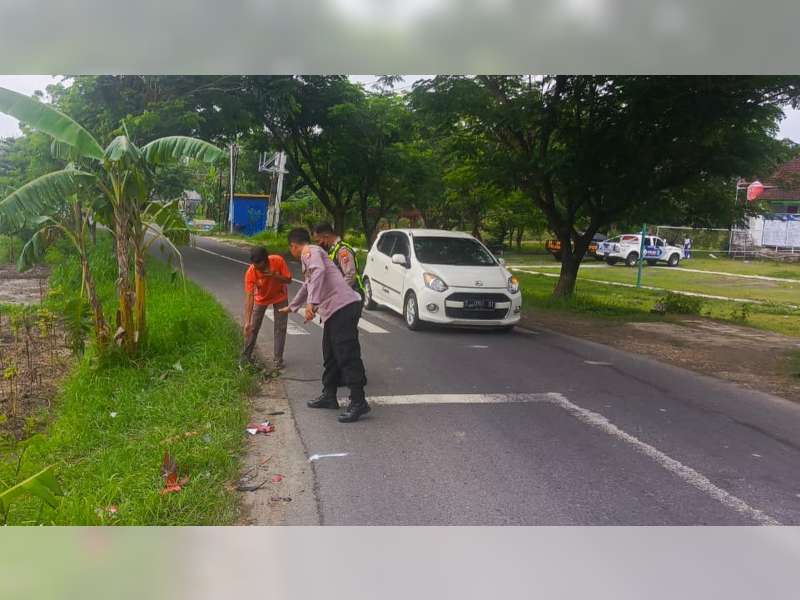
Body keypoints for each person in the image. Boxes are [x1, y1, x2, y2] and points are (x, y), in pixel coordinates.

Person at [279, 228, 370, 423]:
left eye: (291, 249)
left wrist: (312, 303)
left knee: (347, 354)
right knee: (330, 354)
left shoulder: (308, 251)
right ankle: (329, 395)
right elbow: (308, 284)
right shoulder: (311, 256)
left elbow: (319, 273)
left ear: (293, 246)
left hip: (343, 307)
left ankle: (359, 401)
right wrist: (293, 306)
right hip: (334, 311)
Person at [242, 246, 293, 370]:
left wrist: (274, 275)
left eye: (260, 266)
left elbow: (288, 280)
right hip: (261, 299)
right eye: (255, 266)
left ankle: (278, 360)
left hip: (280, 297)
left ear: (267, 260)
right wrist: (247, 321)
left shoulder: (278, 261)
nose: (258, 269)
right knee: (252, 328)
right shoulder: (251, 272)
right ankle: (246, 357)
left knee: (280, 328)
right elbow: (249, 297)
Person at [312, 222, 365, 302]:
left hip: (351, 297)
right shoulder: (331, 250)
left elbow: (350, 276)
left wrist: (334, 293)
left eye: (318, 241)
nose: (318, 244)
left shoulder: (342, 251)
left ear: (326, 237)